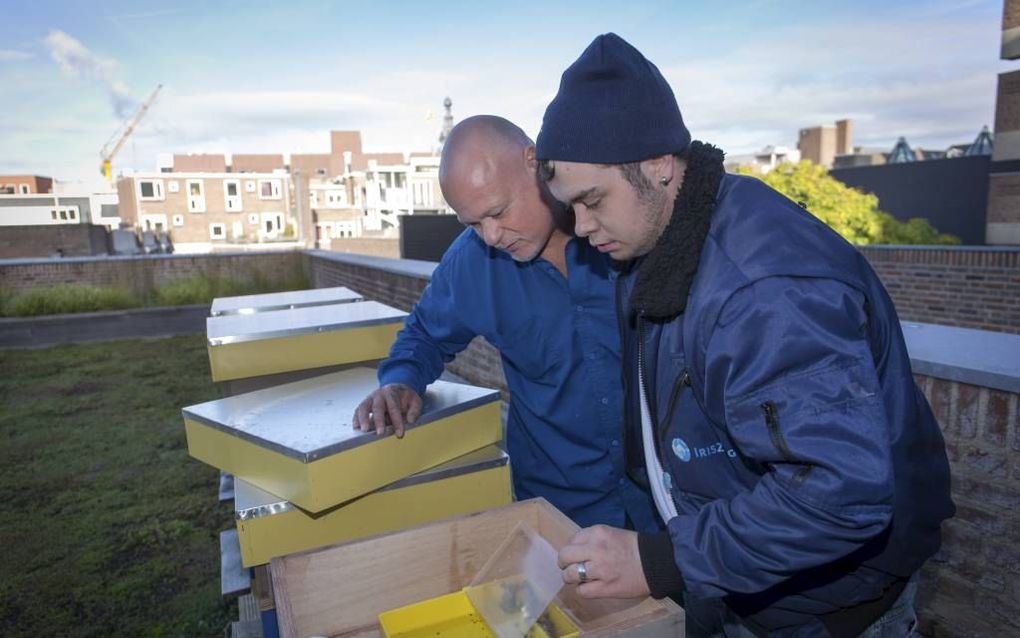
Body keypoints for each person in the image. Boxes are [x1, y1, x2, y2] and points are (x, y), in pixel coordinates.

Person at [536, 34, 954, 637]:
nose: (581, 226)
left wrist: (662, 560)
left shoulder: (763, 290)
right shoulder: (656, 238)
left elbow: (840, 493)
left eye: (592, 199)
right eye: (567, 206)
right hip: (748, 582)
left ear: (657, 163)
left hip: (829, 606)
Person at [351, 115, 660, 532]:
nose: (491, 236)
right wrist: (402, 381)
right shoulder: (472, 262)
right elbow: (423, 334)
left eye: (497, 211)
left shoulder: (626, 230)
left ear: (533, 161)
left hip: (667, 505)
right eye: (474, 223)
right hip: (558, 512)